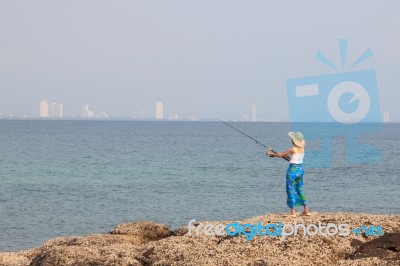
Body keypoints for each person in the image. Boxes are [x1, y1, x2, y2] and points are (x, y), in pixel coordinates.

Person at [267, 132, 310, 217]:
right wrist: (281, 156)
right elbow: (293, 158)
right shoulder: (302, 149)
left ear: (294, 140)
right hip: (300, 170)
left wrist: (271, 154)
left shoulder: (292, 149)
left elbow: (280, 155)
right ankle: (306, 210)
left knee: (291, 189)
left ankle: (293, 212)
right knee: (300, 189)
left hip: (292, 171)